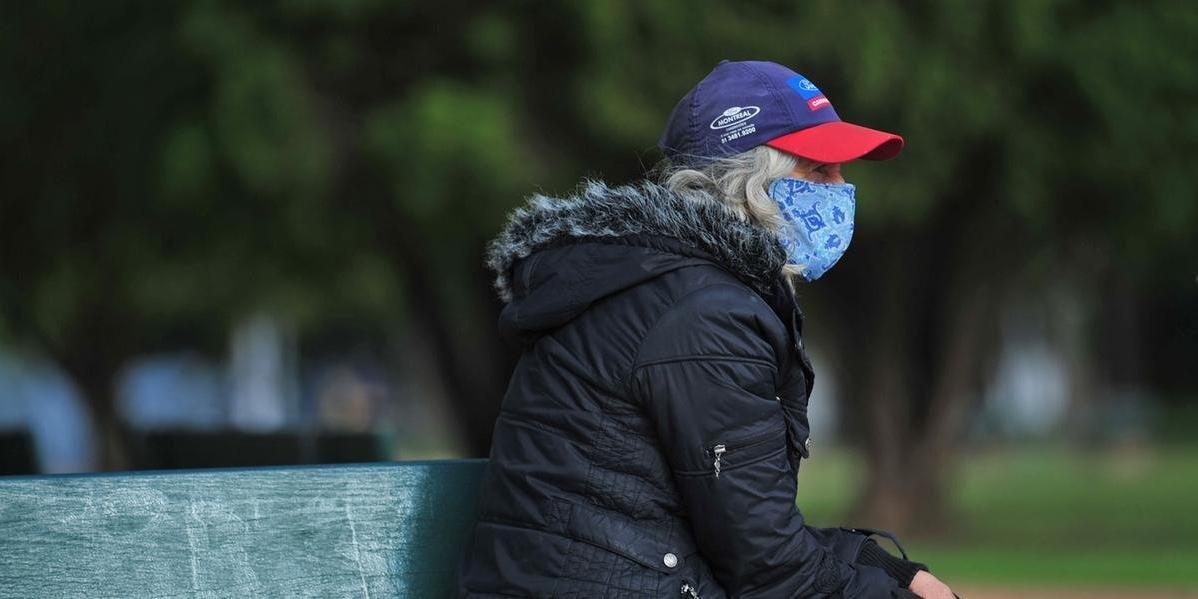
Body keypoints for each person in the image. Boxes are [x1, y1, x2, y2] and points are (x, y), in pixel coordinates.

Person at [455, 60, 956, 598]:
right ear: (747, 181)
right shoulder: (702, 313)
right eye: (818, 171)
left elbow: (745, 531)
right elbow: (771, 570)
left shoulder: (681, 288)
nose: (842, 191)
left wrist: (889, 570)